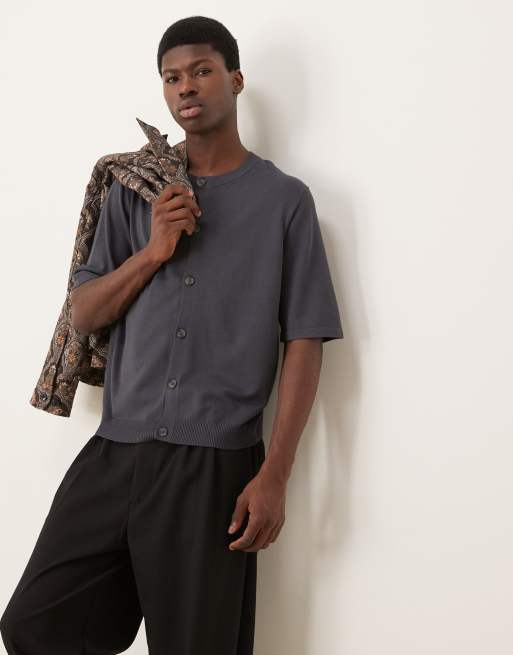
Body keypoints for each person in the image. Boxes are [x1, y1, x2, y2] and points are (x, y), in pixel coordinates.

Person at [0, 15, 343, 655]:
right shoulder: (133, 191)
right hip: (116, 450)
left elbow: (305, 339)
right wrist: (154, 251)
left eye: (202, 71)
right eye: (171, 77)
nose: (186, 87)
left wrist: (275, 474)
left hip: (213, 466)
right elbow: (84, 313)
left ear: (235, 80)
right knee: (34, 626)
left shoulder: (285, 201)